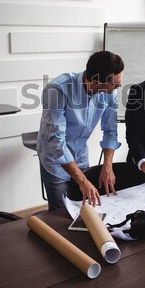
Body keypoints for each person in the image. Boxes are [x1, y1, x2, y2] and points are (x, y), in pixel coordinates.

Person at [37, 50, 124, 211]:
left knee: (85, 210)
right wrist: (83, 181)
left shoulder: (110, 93)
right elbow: (58, 143)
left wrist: (107, 166)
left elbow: (111, 131)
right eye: (116, 83)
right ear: (97, 81)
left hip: (81, 157)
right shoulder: (57, 90)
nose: (120, 86)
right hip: (55, 162)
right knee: (61, 217)